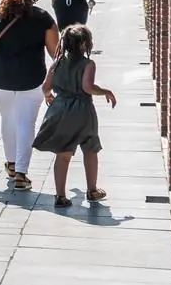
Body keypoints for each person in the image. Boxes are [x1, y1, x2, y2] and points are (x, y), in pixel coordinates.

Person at [0, 0, 60, 192]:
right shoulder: (43, 18)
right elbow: (56, 53)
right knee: (26, 123)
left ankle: (12, 164)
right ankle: (21, 174)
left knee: (8, 118)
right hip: (32, 79)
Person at [34, 23, 117, 207]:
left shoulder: (57, 63)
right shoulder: (88, 64)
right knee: (90, 148)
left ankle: (60, 196)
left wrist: (49, 97)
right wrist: (105, 91)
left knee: (63, 153)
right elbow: (88, 87)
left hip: (60, 108)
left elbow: (46, 88)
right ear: (84, 44)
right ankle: (92, 190)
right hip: (82, 110)